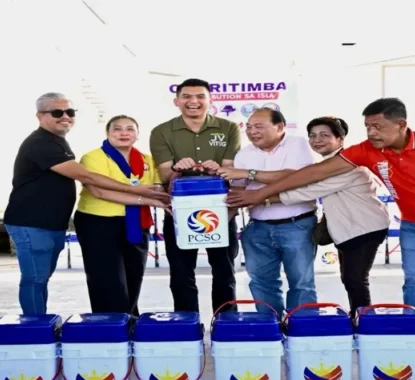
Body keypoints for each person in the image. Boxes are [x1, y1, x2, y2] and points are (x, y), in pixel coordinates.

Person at [226, 98, 415, 340]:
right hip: (414, 225)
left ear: (401, 125)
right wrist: (260, 194)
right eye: (367, 127)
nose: (371, 133)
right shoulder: (365, 151)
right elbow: (311, 175)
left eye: (378, 126)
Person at [4, 93, 170, 315]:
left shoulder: (57, 141)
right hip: (35, 222)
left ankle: (127, 322)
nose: (65, 116)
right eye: (57, 112)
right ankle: (36, 328)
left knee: (129, 278)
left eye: (70, 112)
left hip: (54, 222)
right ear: (40, 116)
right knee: (37, 279)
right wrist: (139, 193)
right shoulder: (42, 143)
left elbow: (158, 185)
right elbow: (90, 180)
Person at [221, 116, 390, 315]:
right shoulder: (324, 164)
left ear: (340, 139)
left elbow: (308, 190)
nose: (317, 140)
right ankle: (358, 318)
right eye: (313, 136)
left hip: (363, 228)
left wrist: (260, 197)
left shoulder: (348, 166)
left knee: (352, 279)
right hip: (347, 230)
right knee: (350, 279)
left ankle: (362, 322)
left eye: (324, 135)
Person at [149, 78, 241, 313]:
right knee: (181, 273)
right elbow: (166, 175)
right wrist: (177, 168)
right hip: (179, 212)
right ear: (176, 101)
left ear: (210, 100)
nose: (194, 101)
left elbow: (230, 171)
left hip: (221, 210)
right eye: (187, 96)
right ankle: (187, 324)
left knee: (224, 271)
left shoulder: (229, 128)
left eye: (200, 96)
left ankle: (225, 323)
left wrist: (218, 169)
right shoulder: (161, 132)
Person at [215, 108, 317, 318]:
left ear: (279, 127)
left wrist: (249, 173)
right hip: (258, 227)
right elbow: (238, 193)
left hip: (297, 225)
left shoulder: (298, 144)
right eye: (249, 127)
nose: (252, 131)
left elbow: (297, 177)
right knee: (261, 282)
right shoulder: (244, 154)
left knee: (301, 282)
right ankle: (270, 325)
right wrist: (215, 225)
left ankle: (303, 327)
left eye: (259, 126)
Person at [74, 115, 169, 315]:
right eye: (117, 129)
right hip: (99, 222)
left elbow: (157, 188)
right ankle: (110, 323)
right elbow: (100, 192)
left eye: (130, 129)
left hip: (137, 223)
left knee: (133, 275)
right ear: (108, 133)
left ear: (137, 134)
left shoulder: (147, 160)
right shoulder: (93, 157)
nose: (124, 133)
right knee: (107, 278)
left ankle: (130, 320)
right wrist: (145, 198)